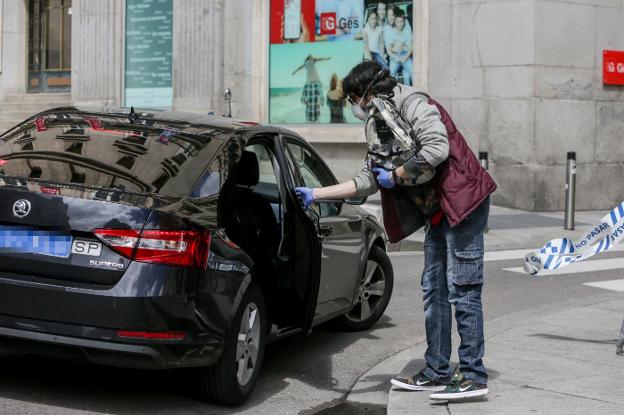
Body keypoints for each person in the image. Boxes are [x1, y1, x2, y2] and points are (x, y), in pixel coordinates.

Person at [294, 61, 496, 401]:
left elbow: (437, 148)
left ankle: (474, 375)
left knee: (462, 289)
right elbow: (368, 179)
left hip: (463, 205)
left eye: (353, 99)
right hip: (437, 211)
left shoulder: (412, 103)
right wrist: (316, 194)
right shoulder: (378, 122)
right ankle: (436, 370)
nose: (353, 107)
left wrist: (398, 173)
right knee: (434, 291)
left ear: (366, 93)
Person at [292, 55, 331, 123]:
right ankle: (317, 107)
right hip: (312, 81)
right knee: (316, 95)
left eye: (311, 57)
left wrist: (326, 58)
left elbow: (320, 59)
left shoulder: (312, 60)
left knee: (316, 95)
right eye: (310, 57)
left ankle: (316, 107)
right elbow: (300, 67)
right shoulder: (307, 62)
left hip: (313, 81)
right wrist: (294, 71)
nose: (311, 57)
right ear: (308, 58)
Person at [387, 9, 413, 85]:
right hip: (395, 56)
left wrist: (405, 57)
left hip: (405, 55)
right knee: (391, 74)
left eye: (401, 22)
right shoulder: (391, 32)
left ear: (404, 21)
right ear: (395, 22)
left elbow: (410, 49)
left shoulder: (407, 32)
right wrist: (396, 57)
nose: (400, 24)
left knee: (413, 73)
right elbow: (389, 51)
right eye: (398, 22)